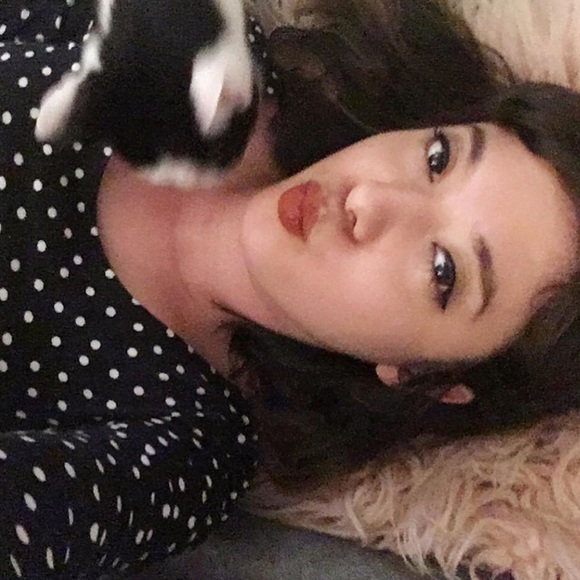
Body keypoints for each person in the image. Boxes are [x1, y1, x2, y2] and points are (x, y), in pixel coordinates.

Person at [1, 0, 579, 579]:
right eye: (438, 157)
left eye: (443, 271)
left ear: (418, 373)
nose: (368, 199)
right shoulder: (211, 51)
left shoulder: (185, 451)